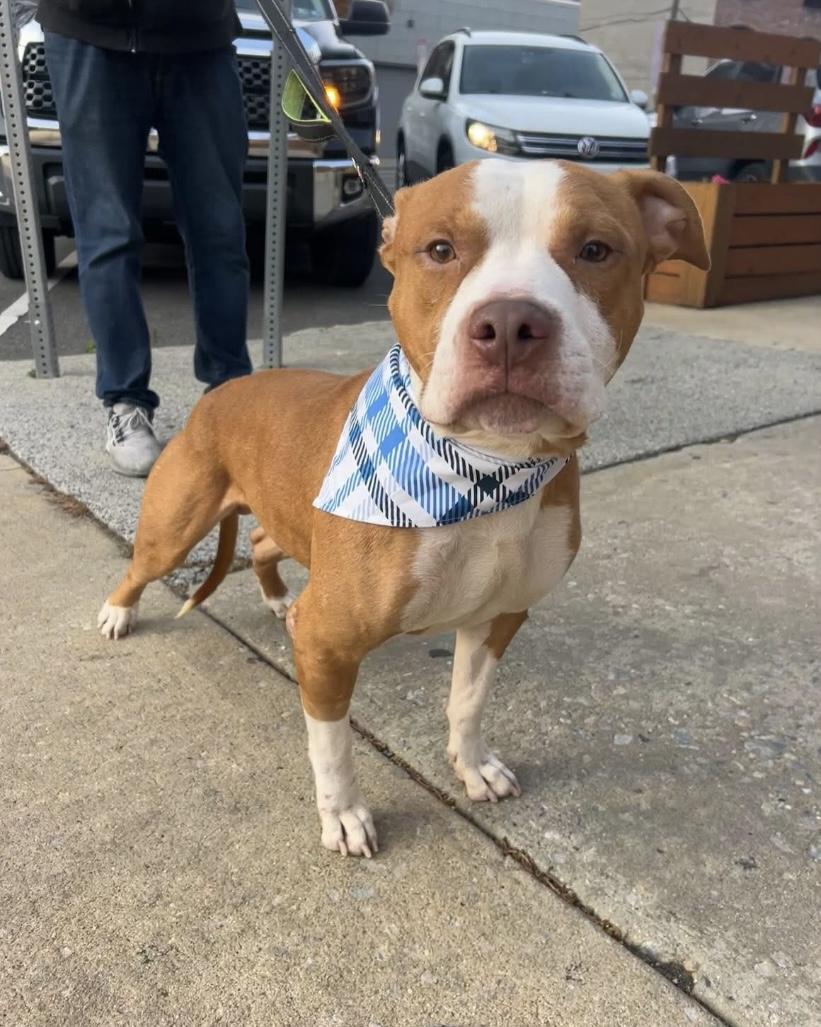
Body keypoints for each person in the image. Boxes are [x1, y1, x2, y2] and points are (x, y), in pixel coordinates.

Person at [37, 0, 253, 476]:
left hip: (199, 36)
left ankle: (231, 393)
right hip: (90, 31)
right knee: (107, 234)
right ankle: (125, 402)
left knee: (219, 229)